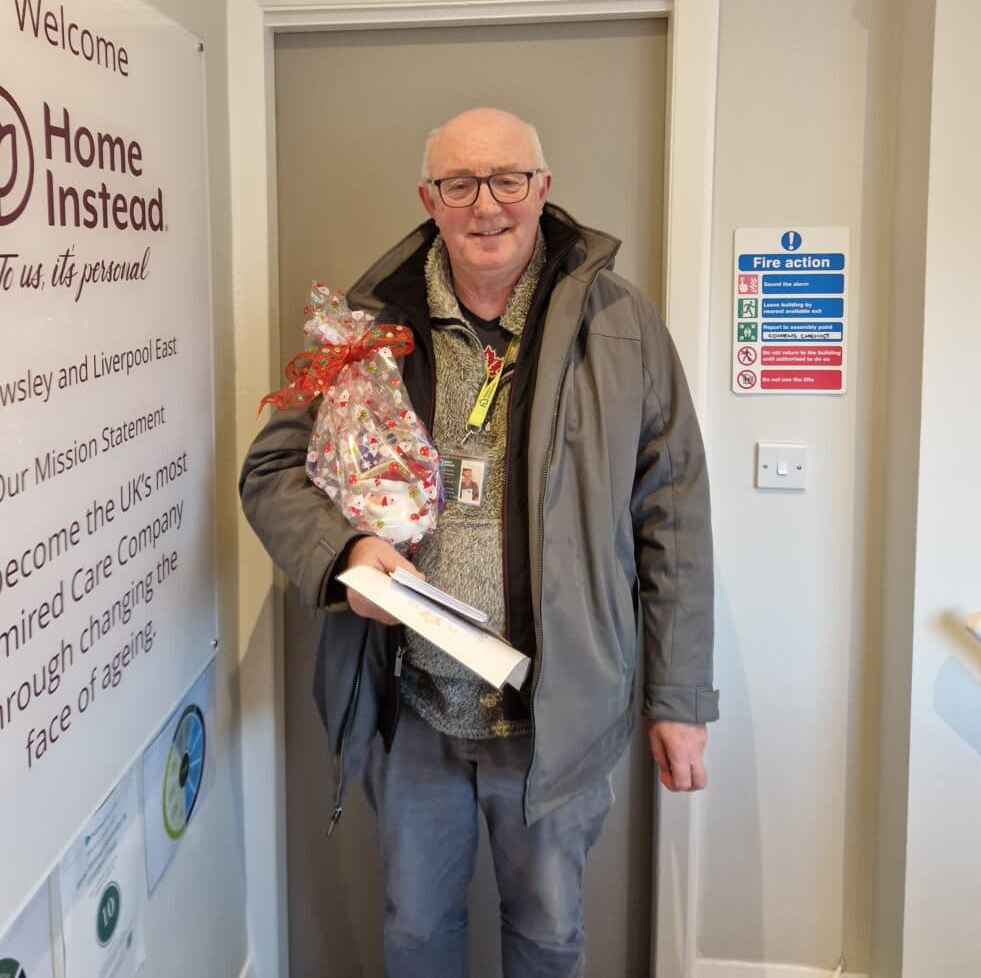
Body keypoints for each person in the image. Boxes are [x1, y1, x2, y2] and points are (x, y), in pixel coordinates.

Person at [240, 107, 718, 977]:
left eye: (507, 180)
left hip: (559, 716)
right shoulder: (370, 327)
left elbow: (674, 512)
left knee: (547, 937)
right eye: (459, 184)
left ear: (543, 189)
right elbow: (271, 468)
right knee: (416, 936)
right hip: (414, 708)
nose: (485, 205)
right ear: (430, 198)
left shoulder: (620, 325)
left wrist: (680, 697)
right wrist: (344, 552)